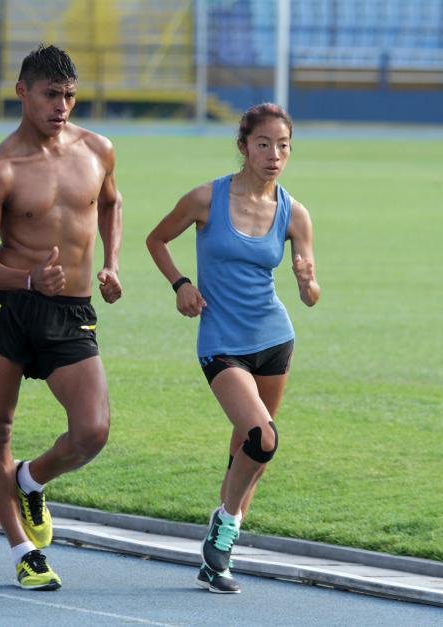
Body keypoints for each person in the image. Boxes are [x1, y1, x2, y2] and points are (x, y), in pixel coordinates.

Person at [0, 44, 123, 591]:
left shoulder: (98, 149)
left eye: (70, 96)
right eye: (51, 94)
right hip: (9, 307)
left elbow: (111, 203)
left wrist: (112, 262)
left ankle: (30, 480)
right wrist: (29, 279)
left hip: (72, 309)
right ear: (22, 92)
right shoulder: (1, 168)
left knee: (92, 431)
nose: (62, 106)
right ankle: (22, 549)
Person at [145, 102, 320, 594]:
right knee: (262, 438)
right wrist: (180, 283)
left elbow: (311, 293)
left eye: (283, 145)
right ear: (243, 146)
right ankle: (224, 529)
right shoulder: (206, 198)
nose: (274, 154)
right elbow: (156, 239)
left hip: (274, 339)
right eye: (264, 144)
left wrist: (308, 285)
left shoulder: (294, 212)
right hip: (221, 341)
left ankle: (218, 554)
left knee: (250, 451)